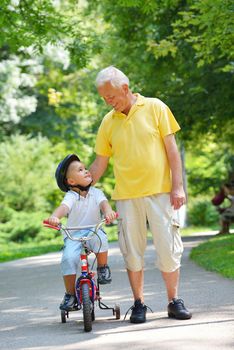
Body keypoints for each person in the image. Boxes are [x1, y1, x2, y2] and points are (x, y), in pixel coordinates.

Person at [89, 66, 192, 323]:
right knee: (131, 251)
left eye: (110, 96)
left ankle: (173, 301)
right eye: (103, 98)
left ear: (125, 88)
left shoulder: (156, 107)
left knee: (168, 249)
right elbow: (100, 163)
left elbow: (172, 151)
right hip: (126, 197)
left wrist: (177, 187)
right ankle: (139, 303)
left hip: (160, 193)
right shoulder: (108, 122)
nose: (107, 101)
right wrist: (81, 187)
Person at [45, 154, 116, 311]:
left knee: (101, 240)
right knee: (68, 258)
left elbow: (104, 204)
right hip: (74, 234)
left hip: (93, 230)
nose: (86, 171)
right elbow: (64, 207)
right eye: (80, 170)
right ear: (71, 181)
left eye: (85, 168)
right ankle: (70, 295)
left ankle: (103, 268)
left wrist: (108, 212)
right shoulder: (71, 196)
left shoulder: (96, 193)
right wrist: (55, 217)